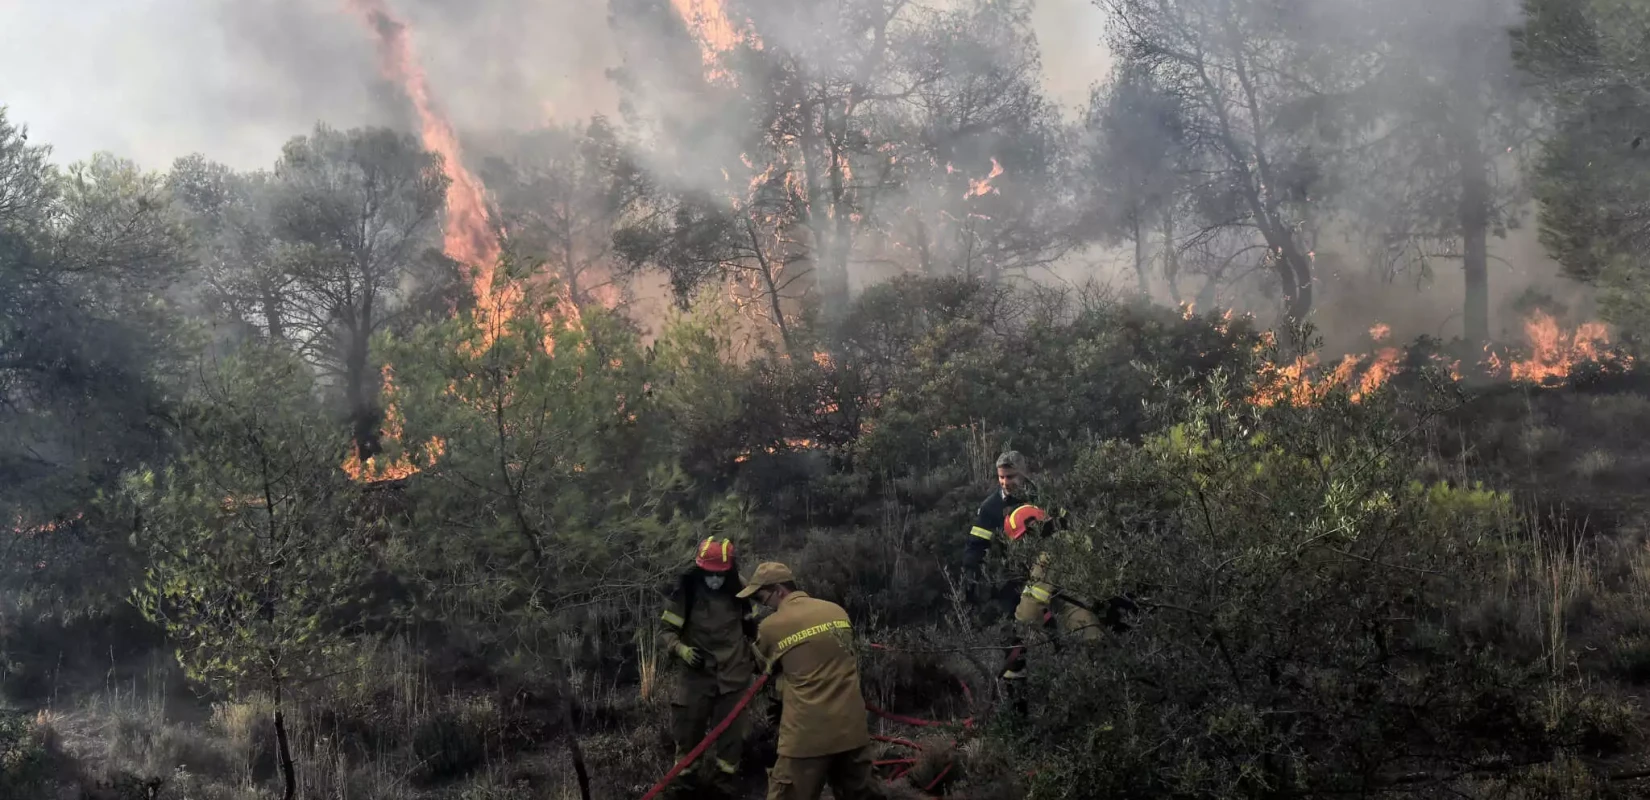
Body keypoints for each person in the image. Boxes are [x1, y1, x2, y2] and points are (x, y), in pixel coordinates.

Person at [738, 562, 878, 800]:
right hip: (853, 732)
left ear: (779, 590)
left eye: (762, 599)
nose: (764, 606)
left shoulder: (772, 626)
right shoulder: (836, 611)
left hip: (806, 739)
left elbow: (755, 665)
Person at [658, 537, 759, 797]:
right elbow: (667, 631)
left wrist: (760, 657)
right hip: (696, 675)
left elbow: (753, 631)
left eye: (720, 575)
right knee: (688, 732)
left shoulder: (741, 591)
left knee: (732, 738)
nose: (714, 580)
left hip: (734, 674)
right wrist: (682, 650)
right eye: (709, 574)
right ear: (700, 570)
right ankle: (684, 787)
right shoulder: (687, 592)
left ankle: (724, 787)